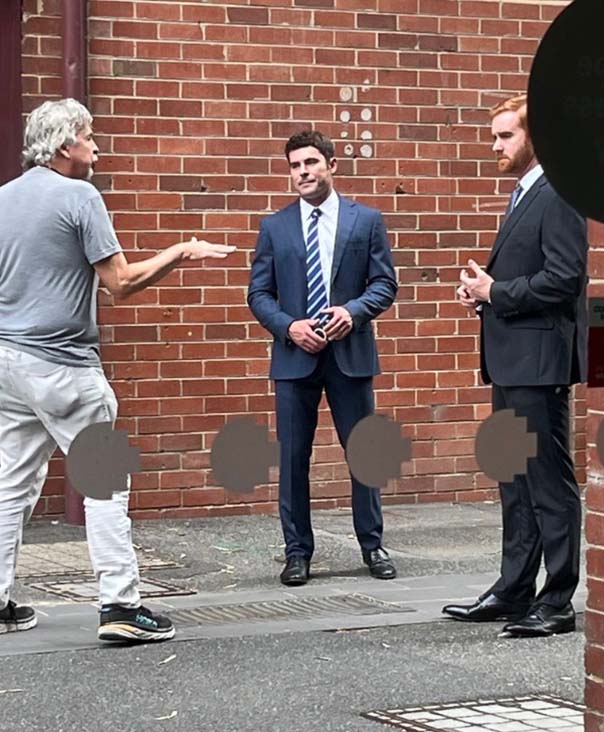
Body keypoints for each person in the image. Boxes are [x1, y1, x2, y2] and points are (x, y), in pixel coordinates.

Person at [0, 99, 235, 642]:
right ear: (64, 147)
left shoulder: (5, 198)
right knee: (105, 487)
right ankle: (122, 607)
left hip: (10, 369)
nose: (97, 146)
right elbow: (121, 283)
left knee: (11, 484)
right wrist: (182, 250)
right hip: (64, 368)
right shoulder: (81, 196)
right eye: (88, 136)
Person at [446, 94, 587, 638]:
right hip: (510, 362)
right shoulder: (524, 194)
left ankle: (557, 602)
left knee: (549, 485)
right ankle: (512, 591)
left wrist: (496, 288)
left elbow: (564, 279)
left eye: (506, 136)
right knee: (514, 482)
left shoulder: (559, 193)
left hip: (538, 366)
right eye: (495, 136)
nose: (495, 146)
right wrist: (485, 294)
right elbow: (529, 279)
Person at [248, 130, 399, 587]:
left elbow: (384, 284)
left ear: (332, 165)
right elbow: (258, 293)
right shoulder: (274, 227)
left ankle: (372, 545)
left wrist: (352, 312)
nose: (302, 173)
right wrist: (288, 326)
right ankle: (297, 552)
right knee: (294, 458)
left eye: (311, 163)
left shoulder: (366, 220)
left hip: (349, 354)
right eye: (294, 166)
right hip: (296, 358)